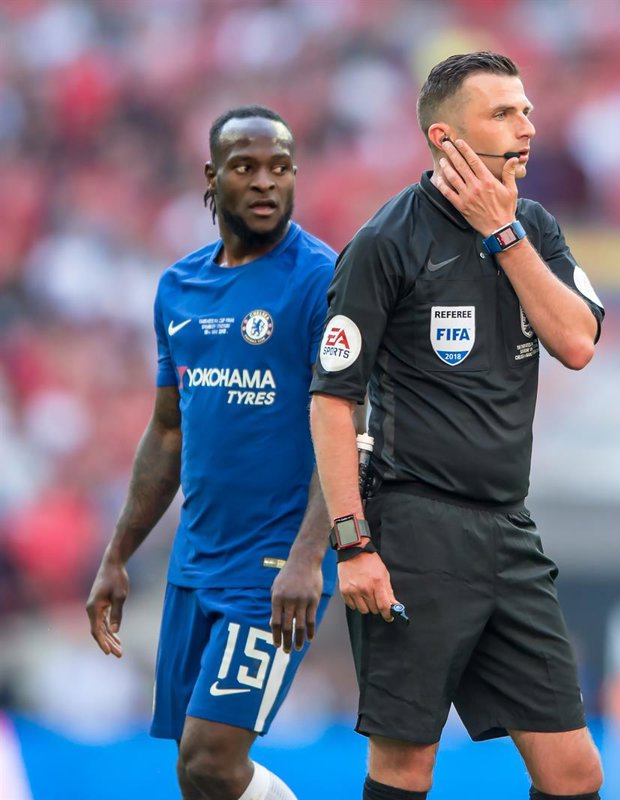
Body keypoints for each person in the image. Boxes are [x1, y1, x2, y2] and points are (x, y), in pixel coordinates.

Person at [309, 51, 605, 800]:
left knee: (575, 772)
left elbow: (576, 343)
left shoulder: (533, 227)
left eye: (526, 110)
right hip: (414, 530)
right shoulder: (387, 241)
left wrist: (504, 235)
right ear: (446, 137)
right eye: (502, 113)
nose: (526, 126)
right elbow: (333, 401)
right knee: (406, 766)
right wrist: (353, 546)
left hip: (508, 529)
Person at [85, 105, 338, 800]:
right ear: (211, 176)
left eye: (280, 168)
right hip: (197, 562)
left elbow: (348, 424)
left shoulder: (322, 279)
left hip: (274, 564)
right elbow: (169, 430)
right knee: (195, 775)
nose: (265, 182)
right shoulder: (179, 288)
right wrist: (118, 553)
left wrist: (309, 556)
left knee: (212, 760)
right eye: (245, 167)